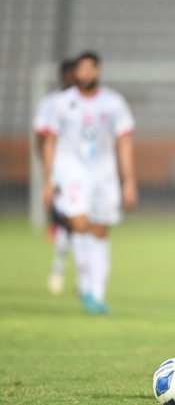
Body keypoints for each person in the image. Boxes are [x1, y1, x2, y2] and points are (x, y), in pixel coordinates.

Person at [42, 51, 138, 315]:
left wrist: (129, 182)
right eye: (80, 69)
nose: (85, 74)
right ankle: (85, 285)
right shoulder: (61, 103)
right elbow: (49, 142)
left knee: (100, 230)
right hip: (73, 171)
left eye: (89, 69)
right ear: (75, 73)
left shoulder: (113, 102)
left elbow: (124, 143)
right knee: (79, 223)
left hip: (104, 172)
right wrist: (49, 179)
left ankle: (96, 294)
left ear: (98, 71)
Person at [32, 59, 77, 295]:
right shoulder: (51, 103)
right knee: (67, 220)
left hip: (88, 172)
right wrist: (47, 170)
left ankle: (82, 273)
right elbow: (41, 138)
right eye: (68, 74)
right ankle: (59, 265)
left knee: (85, 223)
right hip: (62, 169)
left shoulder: (92, 103)